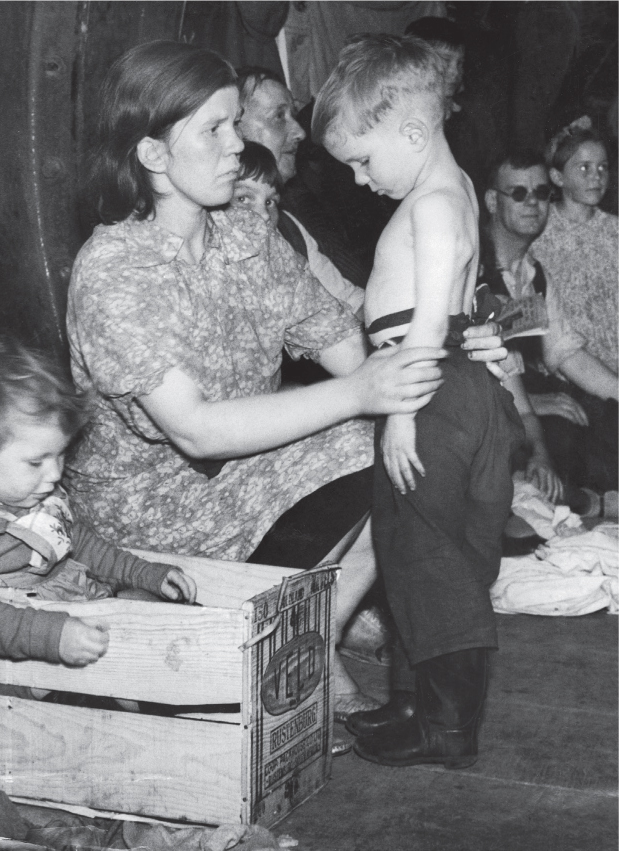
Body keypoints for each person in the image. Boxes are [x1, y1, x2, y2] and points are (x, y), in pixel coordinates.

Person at [64, 40, 506, 732]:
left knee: (408, 449)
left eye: (235, 123)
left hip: (247, 478)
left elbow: (346, 343)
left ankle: (310, 635)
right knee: (375, 425)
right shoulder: (115, 272)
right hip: (147, 515)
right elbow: (196, 429)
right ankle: (222, 618)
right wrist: (365, 390)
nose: (235, 147)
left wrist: (445, 349)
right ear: (152, 154)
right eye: (212, 129)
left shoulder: (245, 237)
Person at [312, 34, 525, 768]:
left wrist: (400, 410)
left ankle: (446, 729)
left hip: (427, 385)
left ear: (409, 131)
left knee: (429, 556)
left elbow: (431, 318)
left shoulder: (431, 204)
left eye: (363, 161)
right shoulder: (456, 186)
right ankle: (412, 704)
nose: (361, 181)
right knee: (412, 549)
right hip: (455, 381)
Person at [0, 336, 196, 682]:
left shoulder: (28, 491)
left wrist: (146, 574)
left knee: (149, 610)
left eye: (59, 455)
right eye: (36, 462)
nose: (56, 474)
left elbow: (81, 544)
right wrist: (52, 636)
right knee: (95, 671)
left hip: (70, 604)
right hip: (13, 654)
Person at [482, 148, 617, 509]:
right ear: (493, 201)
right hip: (486, 409)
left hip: (530, 396)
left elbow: (566, 353)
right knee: (565, 441)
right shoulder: (471, 270)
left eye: (541, 193)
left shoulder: (535, 274)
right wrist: (531, 405)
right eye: (519, 193)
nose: (533, 203)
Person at [531, 117, 618, 508]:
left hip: (613, 362)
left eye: (602, 168)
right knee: (593, 437)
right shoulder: (539, 233)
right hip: (569, 370)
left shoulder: (614, 231)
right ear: (557, 177)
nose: (596, 176)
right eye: (583, 167)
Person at [230, 140, 363, 316]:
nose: (264, 214)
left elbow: (346, 299)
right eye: (243, 199)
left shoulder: (288, 231)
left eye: (270, 202)